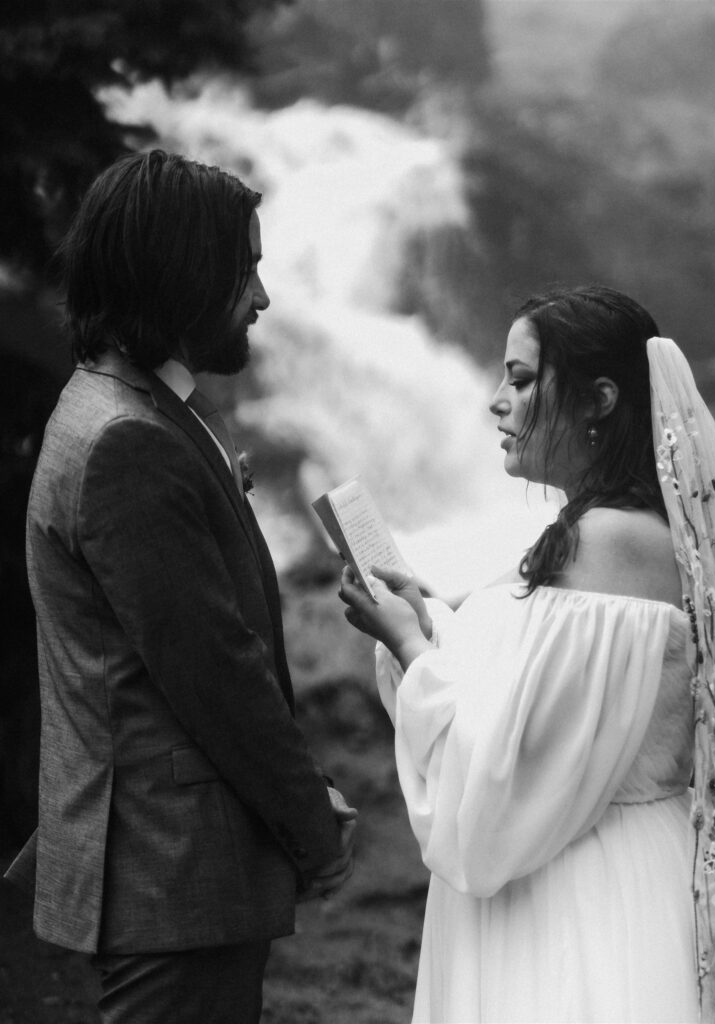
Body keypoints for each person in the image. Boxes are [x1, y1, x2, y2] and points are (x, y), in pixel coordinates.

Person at [4, 149, 357, 1024]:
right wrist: (310, 829)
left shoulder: (119, 404)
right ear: (185, 276)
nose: (264, 299)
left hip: (166, 865)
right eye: (248, 271)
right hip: (172, 874)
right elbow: (216, 674)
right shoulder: (130, 440)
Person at [339, 285, 715, 1023]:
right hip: (612, 862)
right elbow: (545, 706)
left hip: (584, 899)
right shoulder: (630, 533)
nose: (496, 401)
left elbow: (505, 785)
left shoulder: (606, 544)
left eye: (521, 380)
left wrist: (406, 644)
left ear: (600, 399)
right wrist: (436, 625)